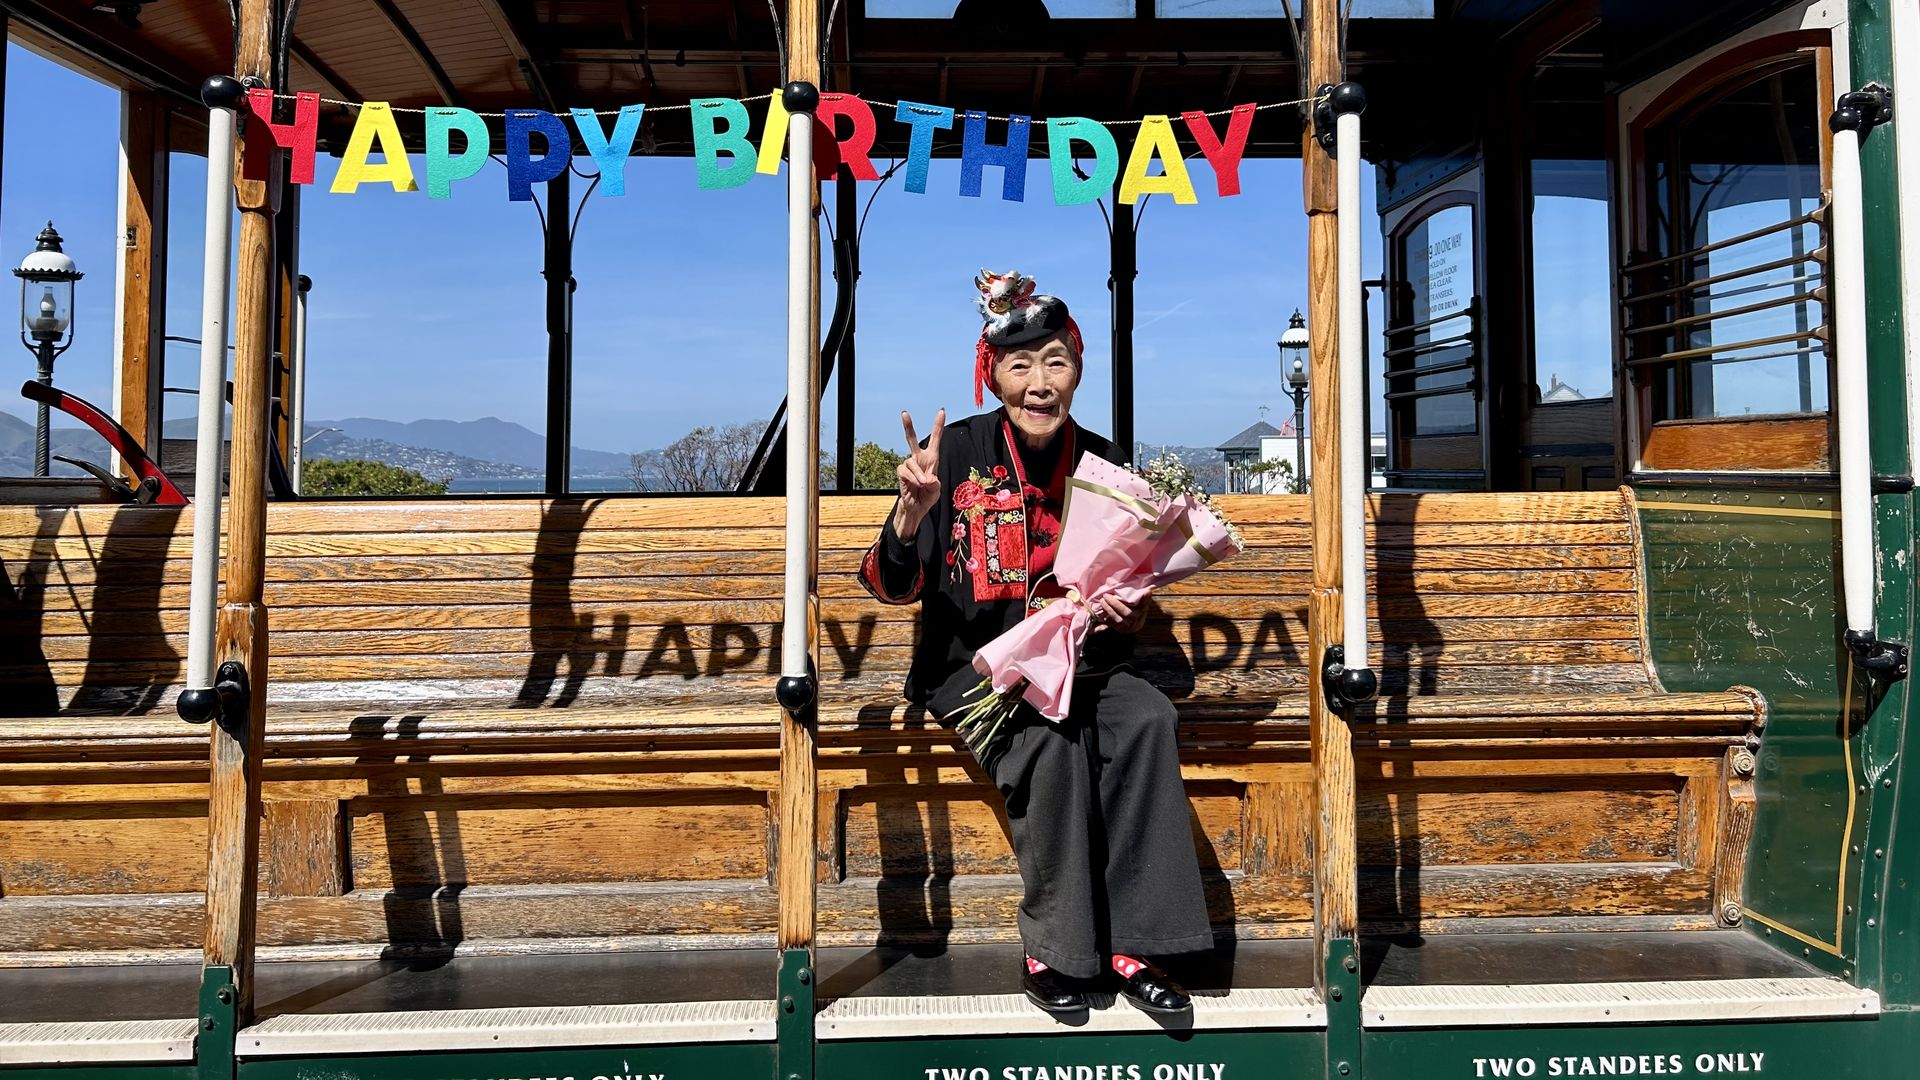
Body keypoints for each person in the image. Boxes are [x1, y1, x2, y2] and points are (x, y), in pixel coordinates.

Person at [857, 271, 1213, 1016]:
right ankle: (1055, 949)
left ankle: (1136, 946)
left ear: (1077, 369)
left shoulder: (1108, 463)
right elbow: (890, 586)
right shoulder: (952, 454)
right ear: (993, 376)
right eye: (1019, 366)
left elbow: (1132, 593)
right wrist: (908, 516)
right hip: (976, 674)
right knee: (1048, 743)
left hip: (1085, 667)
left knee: (1146, 719)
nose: (1039, 382)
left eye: (1055, 361)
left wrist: (1127, 611)